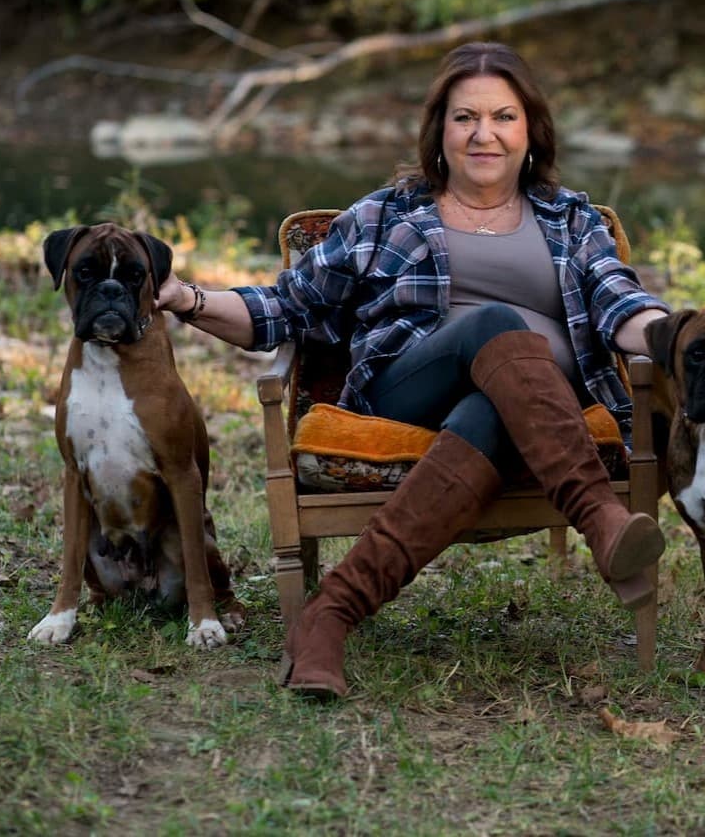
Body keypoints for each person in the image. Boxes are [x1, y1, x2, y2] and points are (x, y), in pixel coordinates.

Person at [157, 41, 670, 699]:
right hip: (409, 388)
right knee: (495, 323)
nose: (484, 133)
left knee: (492, 408)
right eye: (465, 118)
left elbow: (620, 302)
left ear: (530, 130)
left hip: (540, 407)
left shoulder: (570, 218)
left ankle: (328, 617)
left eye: (503, 117)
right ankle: (600, 517)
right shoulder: (387, 214)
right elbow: (287, 307)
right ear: (440, 130)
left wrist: (676, 336)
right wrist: (187, 299)